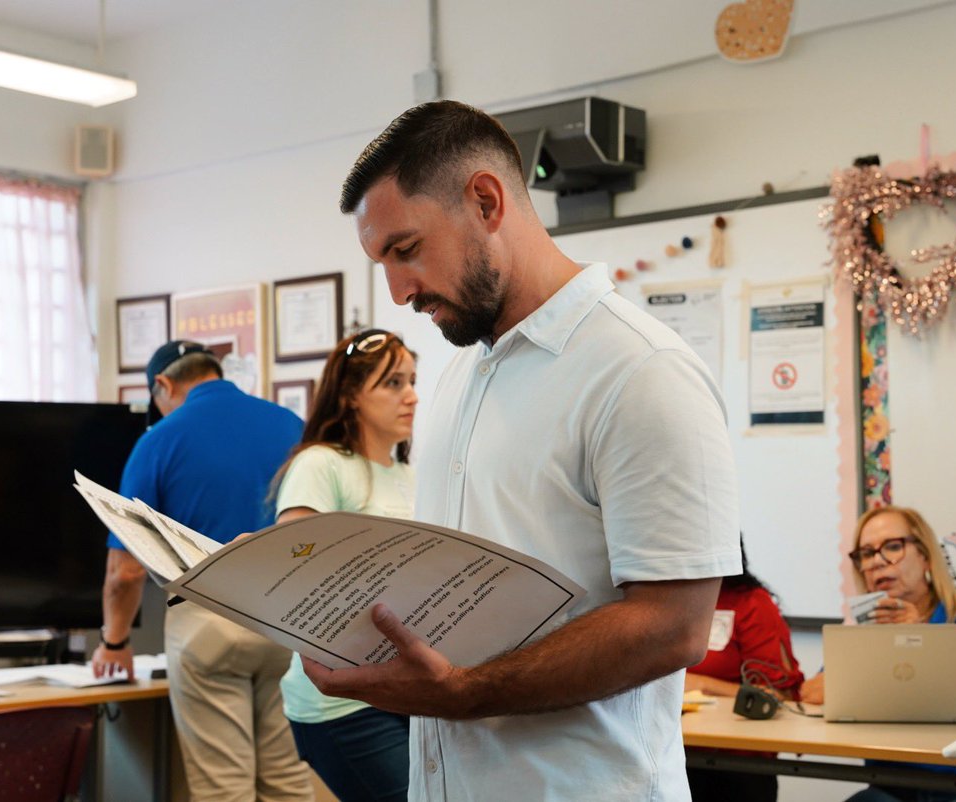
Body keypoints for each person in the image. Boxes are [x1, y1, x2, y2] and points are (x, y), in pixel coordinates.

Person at [302, 99, 742, 801]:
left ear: (485, 200)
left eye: (407, 250)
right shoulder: (458, 379)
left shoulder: (640, 370)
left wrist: (466, 692)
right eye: (382, 261)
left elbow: (674, 627)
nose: (399, 292)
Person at [91, 340, 313, 802]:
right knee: (288, 782)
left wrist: (115, 641)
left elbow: (125, 571)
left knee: (223, 790)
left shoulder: (159, 440)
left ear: (163, 385)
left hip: (208, 621)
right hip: (289, 621)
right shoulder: (291, 424)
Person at [268, 328, 417, 802]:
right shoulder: (322, 464)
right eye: (393, 383)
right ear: (351, 395)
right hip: (339, 700)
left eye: (413, 381)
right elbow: (294, 571)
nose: (411, 396)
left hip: (406, 686)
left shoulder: (413, 475)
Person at [800, 505, 956, 706]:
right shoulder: (863, 628)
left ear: (926, 557)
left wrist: (919, 640)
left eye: (893, 547)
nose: (877, 562)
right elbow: (811, 693)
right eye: (867, 553)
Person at [684, 538, 804, 802]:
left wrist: (702, 685)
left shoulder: (751, 603)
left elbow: (780, 695)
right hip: (672, 754)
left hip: (734, 765)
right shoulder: (667, 603)